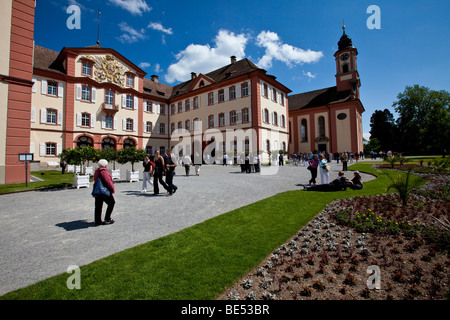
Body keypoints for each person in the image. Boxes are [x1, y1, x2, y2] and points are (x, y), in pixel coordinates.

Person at [93, 159, 115, 226]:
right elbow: (108, 181)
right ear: (105, 165)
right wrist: (112, 189)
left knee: (98, 206)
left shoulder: (97, 171)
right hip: (104, 190)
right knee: (111, 202)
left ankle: (97, 221)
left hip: (97, 190)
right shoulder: (104, 171)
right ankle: (107, 218)